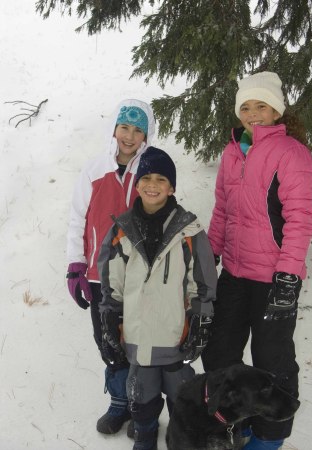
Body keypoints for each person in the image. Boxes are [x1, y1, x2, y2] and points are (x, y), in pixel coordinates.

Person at [202, 72, 312, 450]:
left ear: (276, 110)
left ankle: (269, 438)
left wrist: (288, 277)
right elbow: (222, 211)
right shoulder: (232, 152)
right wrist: (209, 257)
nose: (253, 114)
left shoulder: (291, 153)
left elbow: (300, 219)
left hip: (273, 278)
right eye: (246, 107)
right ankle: (238, 422)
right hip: (234, 274)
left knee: (273, 359)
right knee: (219, 352)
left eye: (261, 106)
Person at [98, 146, 218, 450]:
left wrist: (201, 320)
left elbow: (202, 281)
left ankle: (181, 436)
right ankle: (146, 433)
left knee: (181, 393)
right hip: (137, 337)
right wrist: (110, 318)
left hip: (175, 335)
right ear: (137, 184)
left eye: (161, 179)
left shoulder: (189, 230)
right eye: (146, 178)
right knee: (142, 394)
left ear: (172, 186)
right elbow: (112, 284)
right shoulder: (121, 230)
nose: (152, 185)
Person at [66, 99, 155, 435]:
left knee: (138, 341)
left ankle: (140, 404)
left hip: (138, 277)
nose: (129, 136)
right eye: (124, 127)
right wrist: (76, 264)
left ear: (147, 134)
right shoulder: (94, 169)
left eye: (137, 129)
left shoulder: (151, 169)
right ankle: (119, 400)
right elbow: (77, 219)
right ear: (114, 129)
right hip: (99, 275)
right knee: (108, 340)